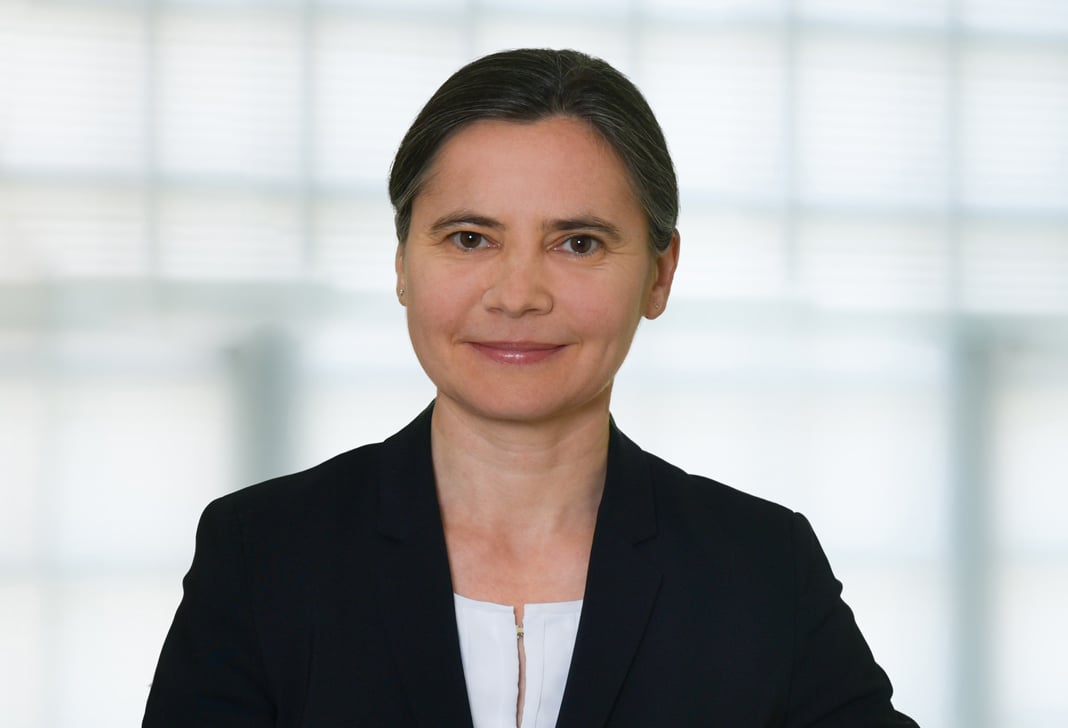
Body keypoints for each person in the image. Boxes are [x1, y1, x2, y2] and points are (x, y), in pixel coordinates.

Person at [143, 48, 918, 727]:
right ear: (403, 263)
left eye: (578, 243)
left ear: (660, 273)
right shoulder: (263, 553)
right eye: (469, 238)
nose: (517, 295)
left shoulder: (761, 568)